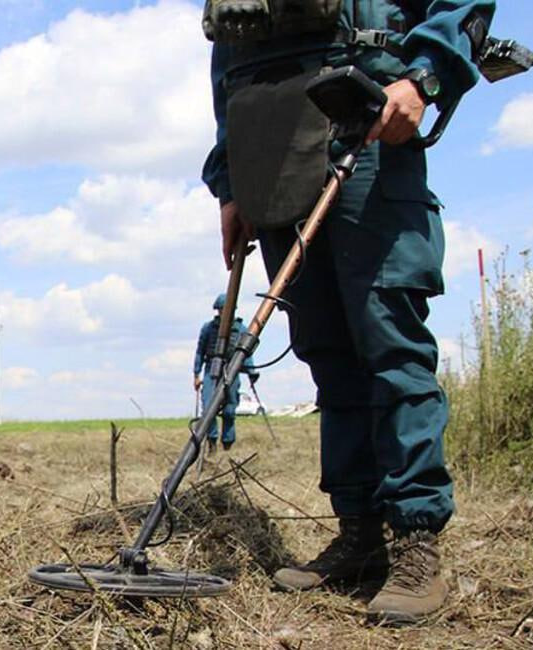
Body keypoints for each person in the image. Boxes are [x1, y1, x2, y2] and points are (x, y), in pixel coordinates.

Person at [201, 0, 495, 625]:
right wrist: (232, 182)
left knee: (388, 344)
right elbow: (228, 58)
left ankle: (416, 543)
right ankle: (359, 536)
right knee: (327, 355)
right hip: (275, 152)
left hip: (364, 126)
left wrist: (423, 76)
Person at [193, 293, 259, 452]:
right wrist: (196, 374)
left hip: (232, 369)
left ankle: (228, 445)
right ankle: (212, 443)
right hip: (211, 368)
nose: (224, 312)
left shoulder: (241, 329)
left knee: (230, 409)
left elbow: (246, 354)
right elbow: (200, 352)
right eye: (221, 309)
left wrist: (251, 372)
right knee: (209, 407)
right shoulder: (208, 328)